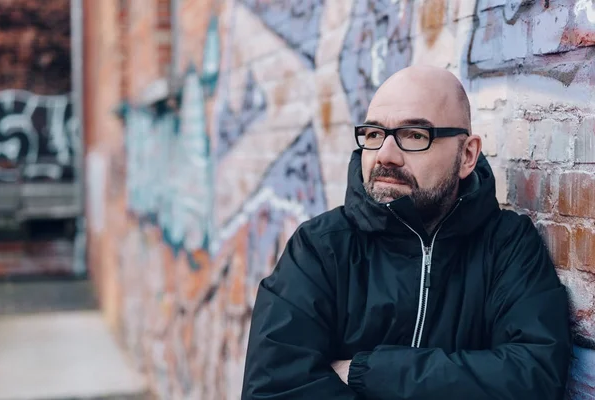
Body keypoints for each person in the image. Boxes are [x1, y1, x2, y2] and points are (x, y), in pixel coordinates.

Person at [241, 65, 571, 399]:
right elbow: (273, 390)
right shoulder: (321, 249)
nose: (385, 155)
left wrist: (367, 371)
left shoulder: (508, 247)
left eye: (414, 135)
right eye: (373, 134)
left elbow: (534, 380)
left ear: (467, 155)